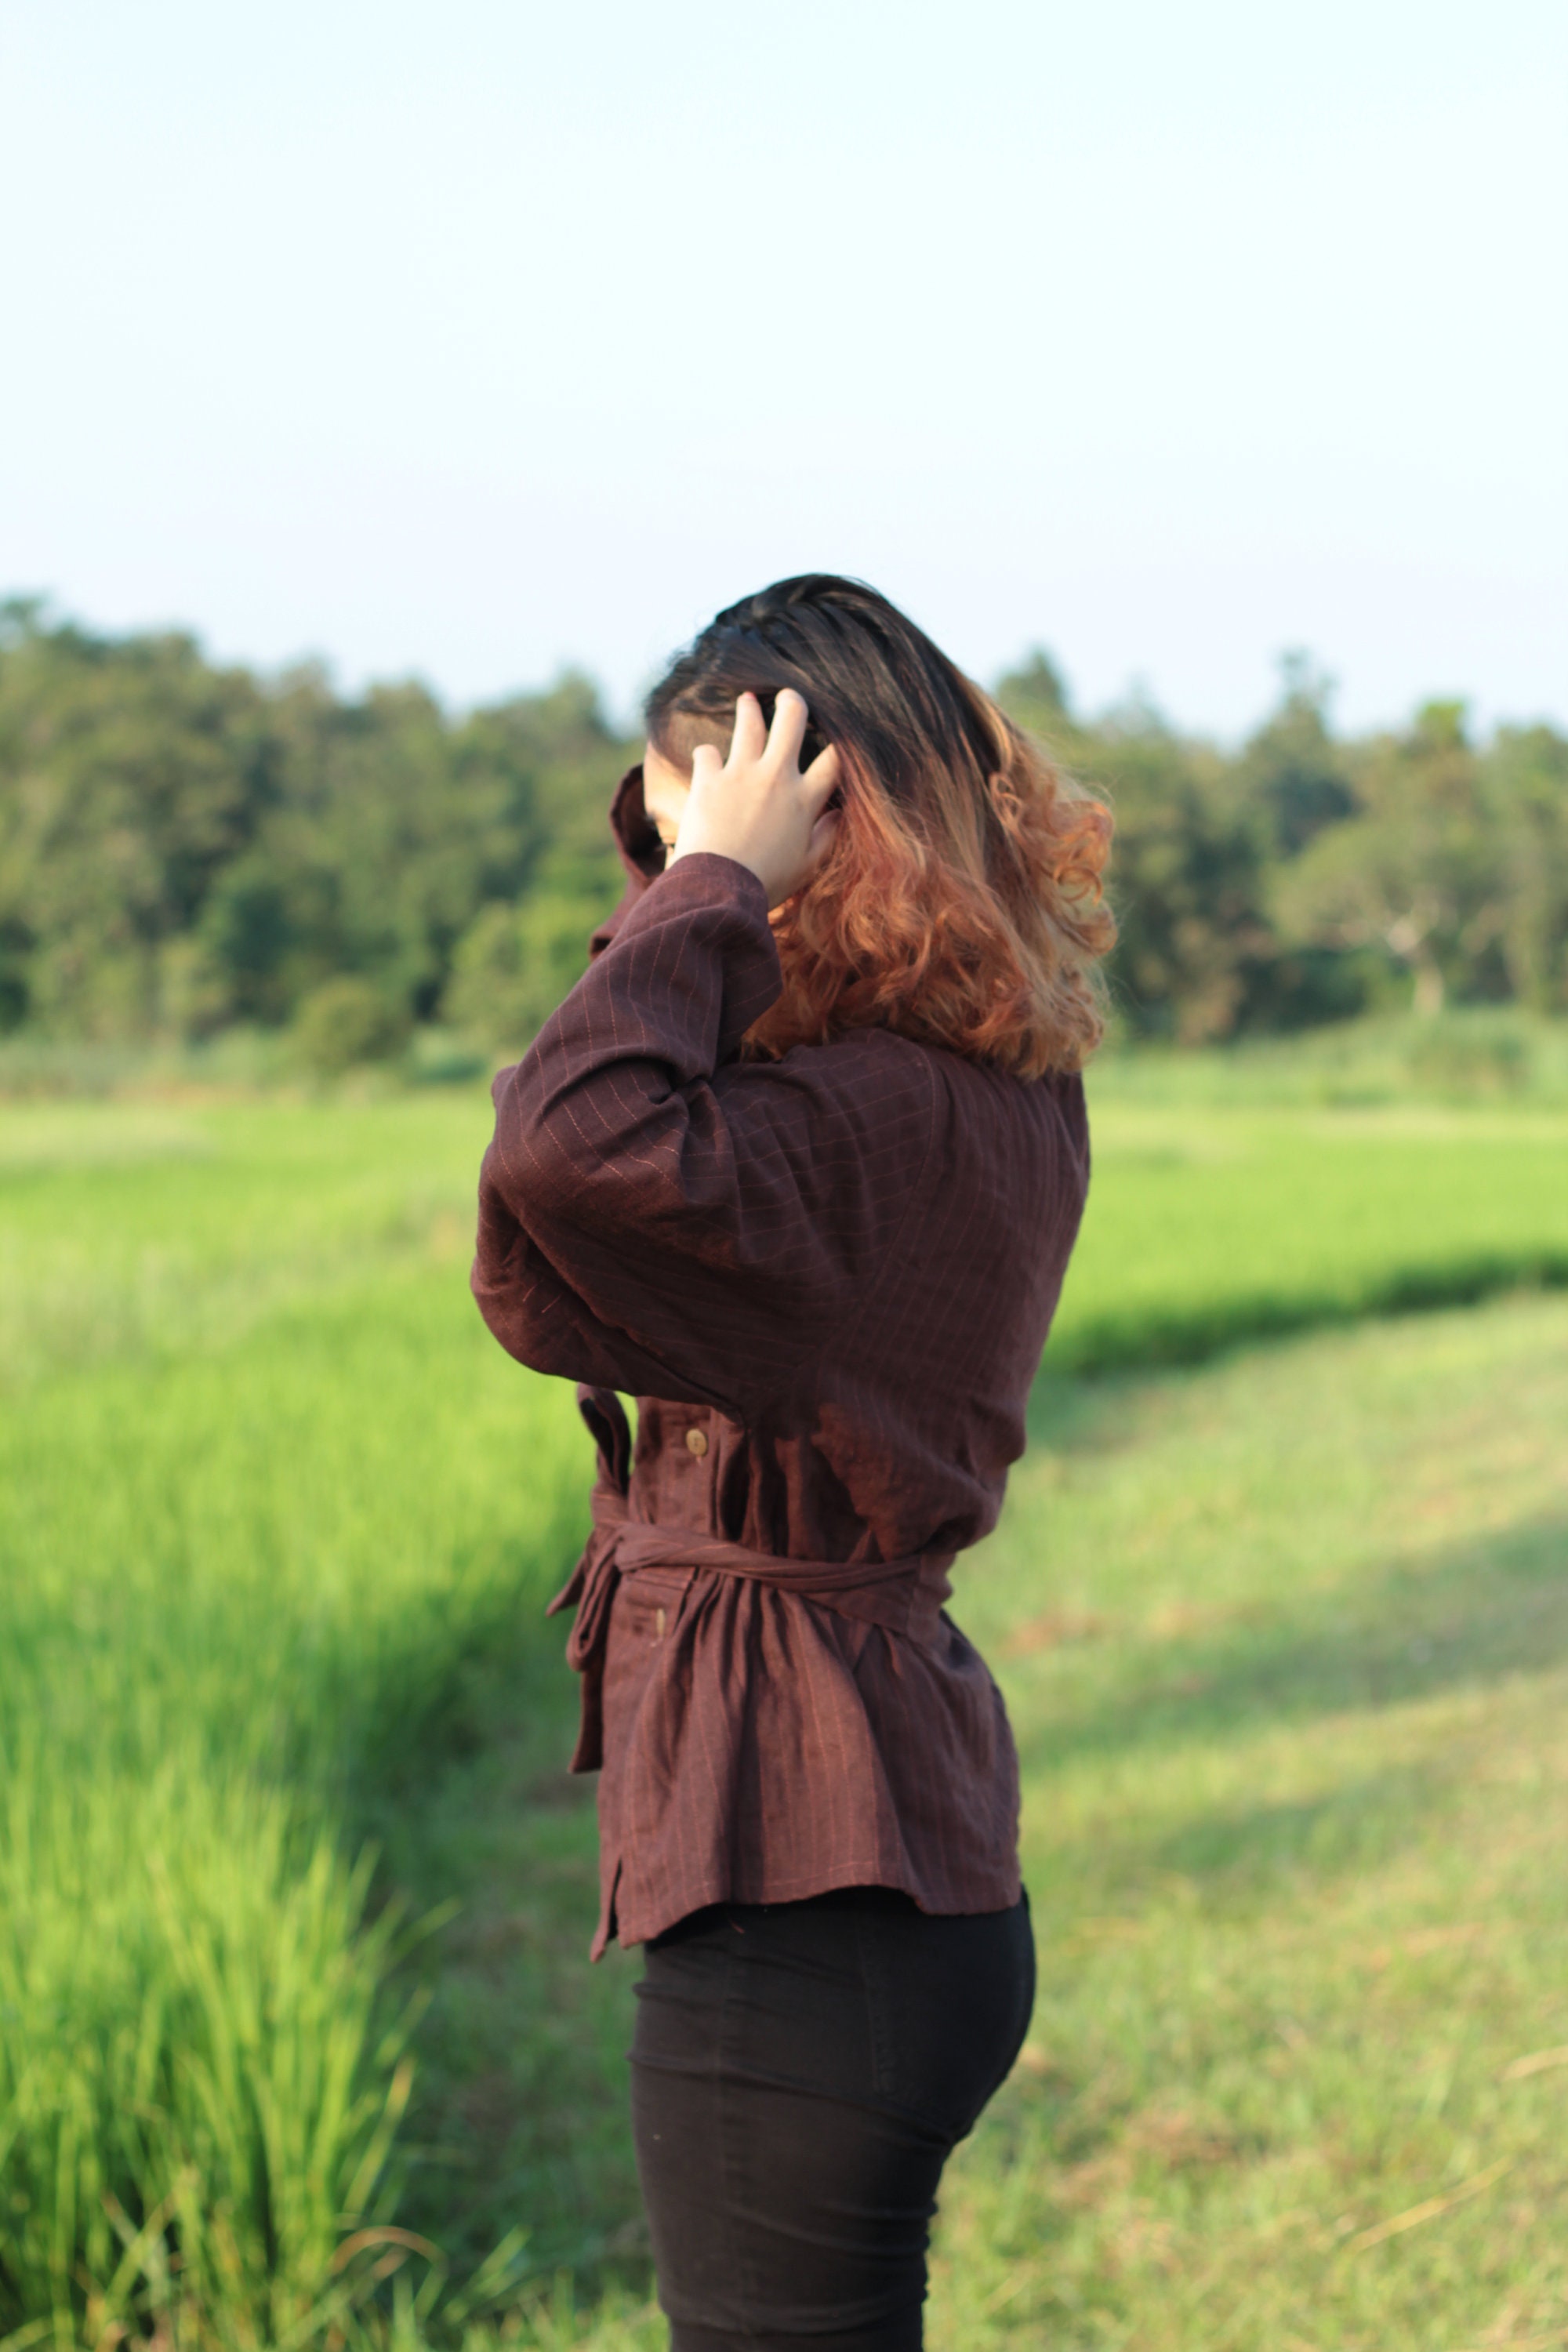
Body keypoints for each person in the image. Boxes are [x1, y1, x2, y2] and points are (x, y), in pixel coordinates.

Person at [470, 575, 1115, 2350]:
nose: (679, 870)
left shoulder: (864, 1120)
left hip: (807, 1895)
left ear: (826, 832)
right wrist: (699, 872)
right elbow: (627, 1108)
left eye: (716, 834)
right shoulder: (972, 1080)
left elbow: (567, 1141)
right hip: (878, 1869)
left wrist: (706, 892)